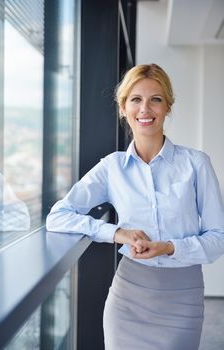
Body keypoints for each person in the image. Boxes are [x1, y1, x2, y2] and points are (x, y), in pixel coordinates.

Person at [46, 63, 224, 350]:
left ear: (168, 107)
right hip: (128, 297)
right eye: (136, 99)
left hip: (183, 298)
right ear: (123, 107)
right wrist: (117, 233)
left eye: (156, 99)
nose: (145, 109)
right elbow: (58, 217)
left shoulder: (196, 164)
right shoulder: (112, 167)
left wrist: (169, 247)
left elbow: (218, 237)